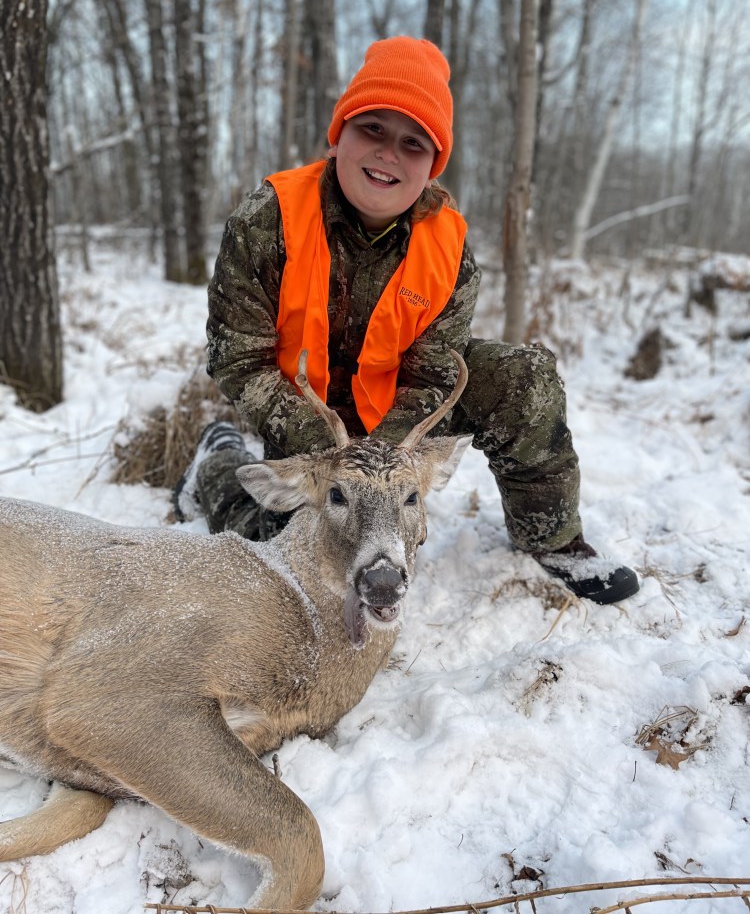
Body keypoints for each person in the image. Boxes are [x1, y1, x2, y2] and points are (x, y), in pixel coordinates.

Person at [174, 36, 638, 604]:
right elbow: (239, 359)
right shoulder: (268, 218)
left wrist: (389, 462)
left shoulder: (448, 248)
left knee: (524, 378)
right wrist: (331, 458)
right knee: (277, 553)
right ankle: (217, 461)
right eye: (372, 128)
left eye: (413, 143)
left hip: (400, 417)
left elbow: (434, 370)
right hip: (306, 418)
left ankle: (552, 539)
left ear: (431, 165)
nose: (388, 154)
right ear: (339, 134)